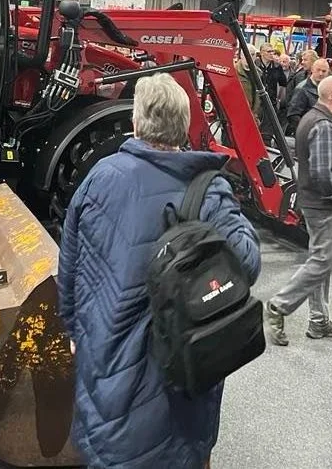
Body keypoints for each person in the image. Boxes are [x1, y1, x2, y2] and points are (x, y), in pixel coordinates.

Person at [58, 73, 260, 469]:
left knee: (112, 443)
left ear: (135, 122)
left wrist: (72, 329)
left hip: (105, 346)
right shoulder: (207, 189)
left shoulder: (100, 176)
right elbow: (247, 264)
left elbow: (70, 260)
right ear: (184, 127)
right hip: (178, 362)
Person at [264, 75, 332, 344]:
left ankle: (319, 320)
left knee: (320, 260)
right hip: (323, 204)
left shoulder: (312, 119)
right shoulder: (324, 126)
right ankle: (279, 305)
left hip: (312, 202)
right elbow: (320, 173)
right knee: (322, 261)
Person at [286, 59, 332, 132]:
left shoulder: (327, 88)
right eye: (318, 70)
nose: (321, 73)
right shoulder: (302, 89)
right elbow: (293, 114)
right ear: (312, 70)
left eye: (324, 71)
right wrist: (307, 130)